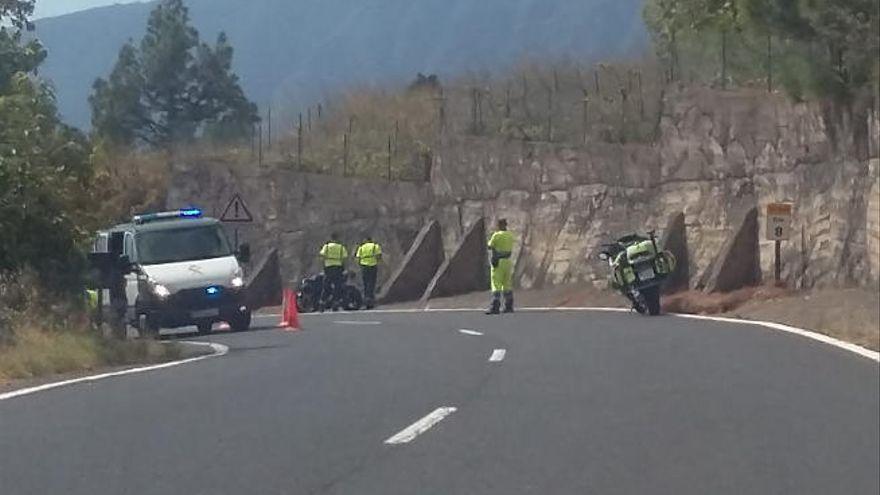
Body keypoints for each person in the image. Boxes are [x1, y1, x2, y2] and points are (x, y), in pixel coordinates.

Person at [486, 219, 515, 315]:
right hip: (508, 261)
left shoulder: (497, 235)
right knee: (507, 283)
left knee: (496, 283)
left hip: (498, 261)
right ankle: (509, 305)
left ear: (499, 225)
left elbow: (490, 246)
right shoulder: (510, 235)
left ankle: (495, 306)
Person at [319, 233, 348, 311]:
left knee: (326, 285)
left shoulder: (327, 247)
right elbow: (344, 258)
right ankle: (335, 302)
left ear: (331, 238)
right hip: (338, 268)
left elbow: (322, 256)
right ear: (337, 238)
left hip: (328, 268)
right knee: (337, 286)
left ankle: (322, 302)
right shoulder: (341, 247)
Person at [355, 236, 383, 309]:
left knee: (365, 283)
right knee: (372, 283)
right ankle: (370, 298)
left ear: (365, 240)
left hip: (364, 266)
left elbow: (358, 257)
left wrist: (360, 265)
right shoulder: (375, 246)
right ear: (371, 240)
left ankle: (366, 298)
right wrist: (377, 261)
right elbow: (379, 256)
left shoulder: (361, 247)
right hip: (373, 265)